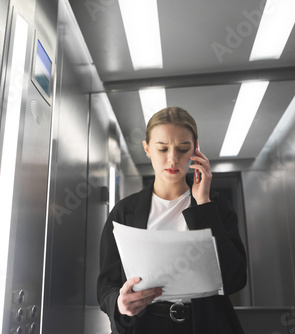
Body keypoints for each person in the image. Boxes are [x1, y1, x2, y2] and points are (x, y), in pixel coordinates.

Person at [97, 107, 247, 334]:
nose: (173, 158)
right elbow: (106, 284)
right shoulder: (124, 212)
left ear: (195, 149)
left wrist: (203, 204)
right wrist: (118, 304)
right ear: (147, 149)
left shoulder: (214, 205)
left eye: (183, 149)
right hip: (147, 325)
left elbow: (234, 278)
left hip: (206, 324)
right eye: (163, 148)